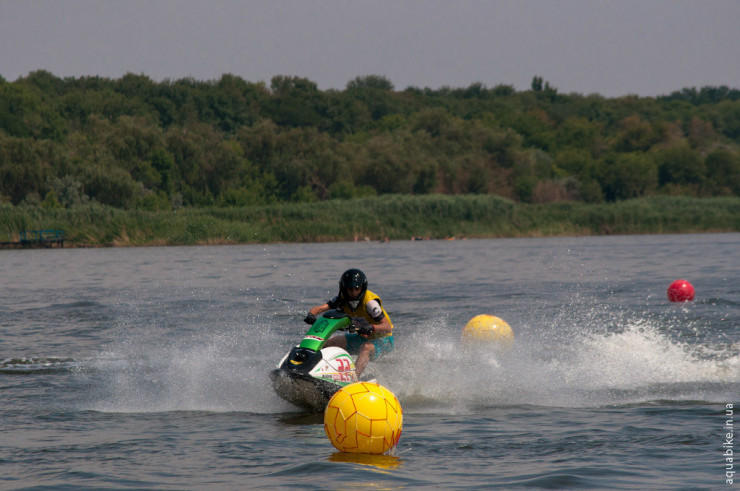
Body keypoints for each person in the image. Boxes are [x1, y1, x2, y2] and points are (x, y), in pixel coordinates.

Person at [304, 268, 394, 377]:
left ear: (362, 287)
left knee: (366, 347)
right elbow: (319, 309)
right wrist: (311, 315)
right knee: (330, 343)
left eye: (357, 288)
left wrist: (371, 327)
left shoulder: (370, 303)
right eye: (349, 289)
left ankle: (353, 379)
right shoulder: (341, 299)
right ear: (343, 288)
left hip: (383, 341)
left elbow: (387, 327)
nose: (353, 292)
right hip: (362, 338)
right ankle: (315, 372)